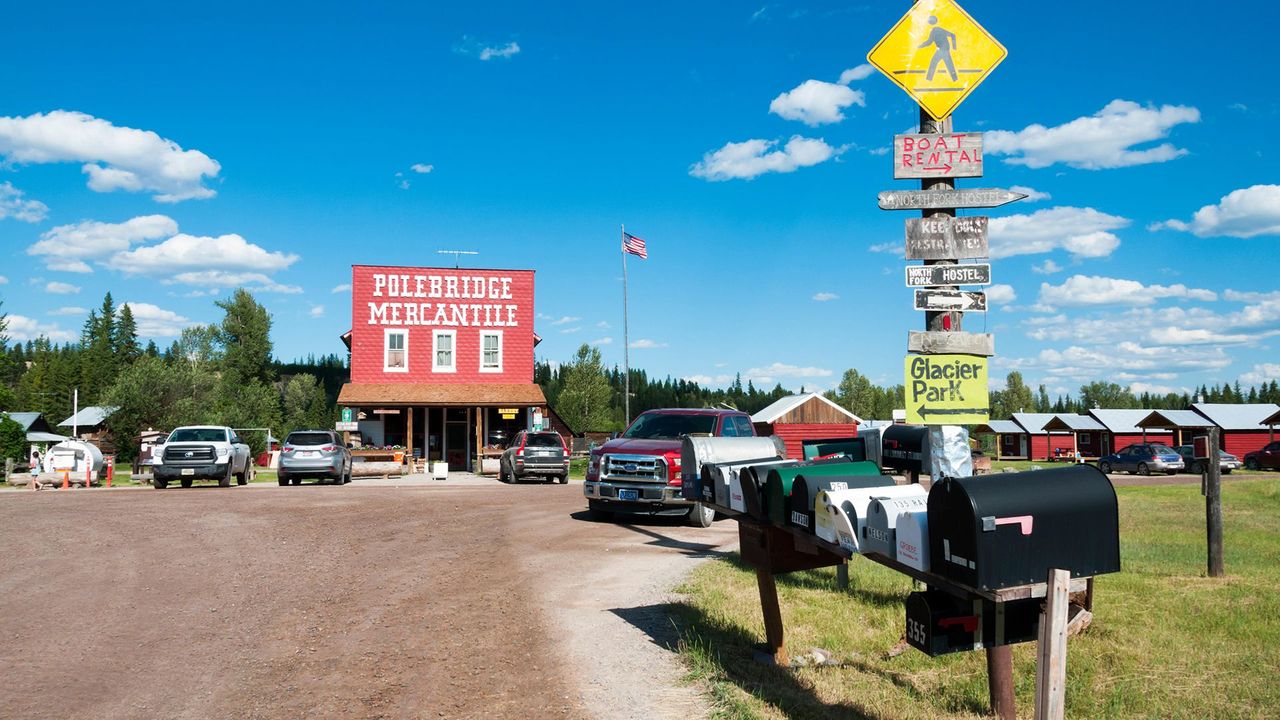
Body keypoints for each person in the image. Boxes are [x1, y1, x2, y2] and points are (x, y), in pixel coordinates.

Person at [919, 15, 958, 82]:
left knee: (935, 62)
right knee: (948, 64)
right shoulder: (938, 30)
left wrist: (920, 46)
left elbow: (929, 42)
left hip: (943, 50)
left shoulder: (936, 30)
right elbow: (953, 35)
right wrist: (953, 47)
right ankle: (955, 79)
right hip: (943, 50)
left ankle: (928, 79)